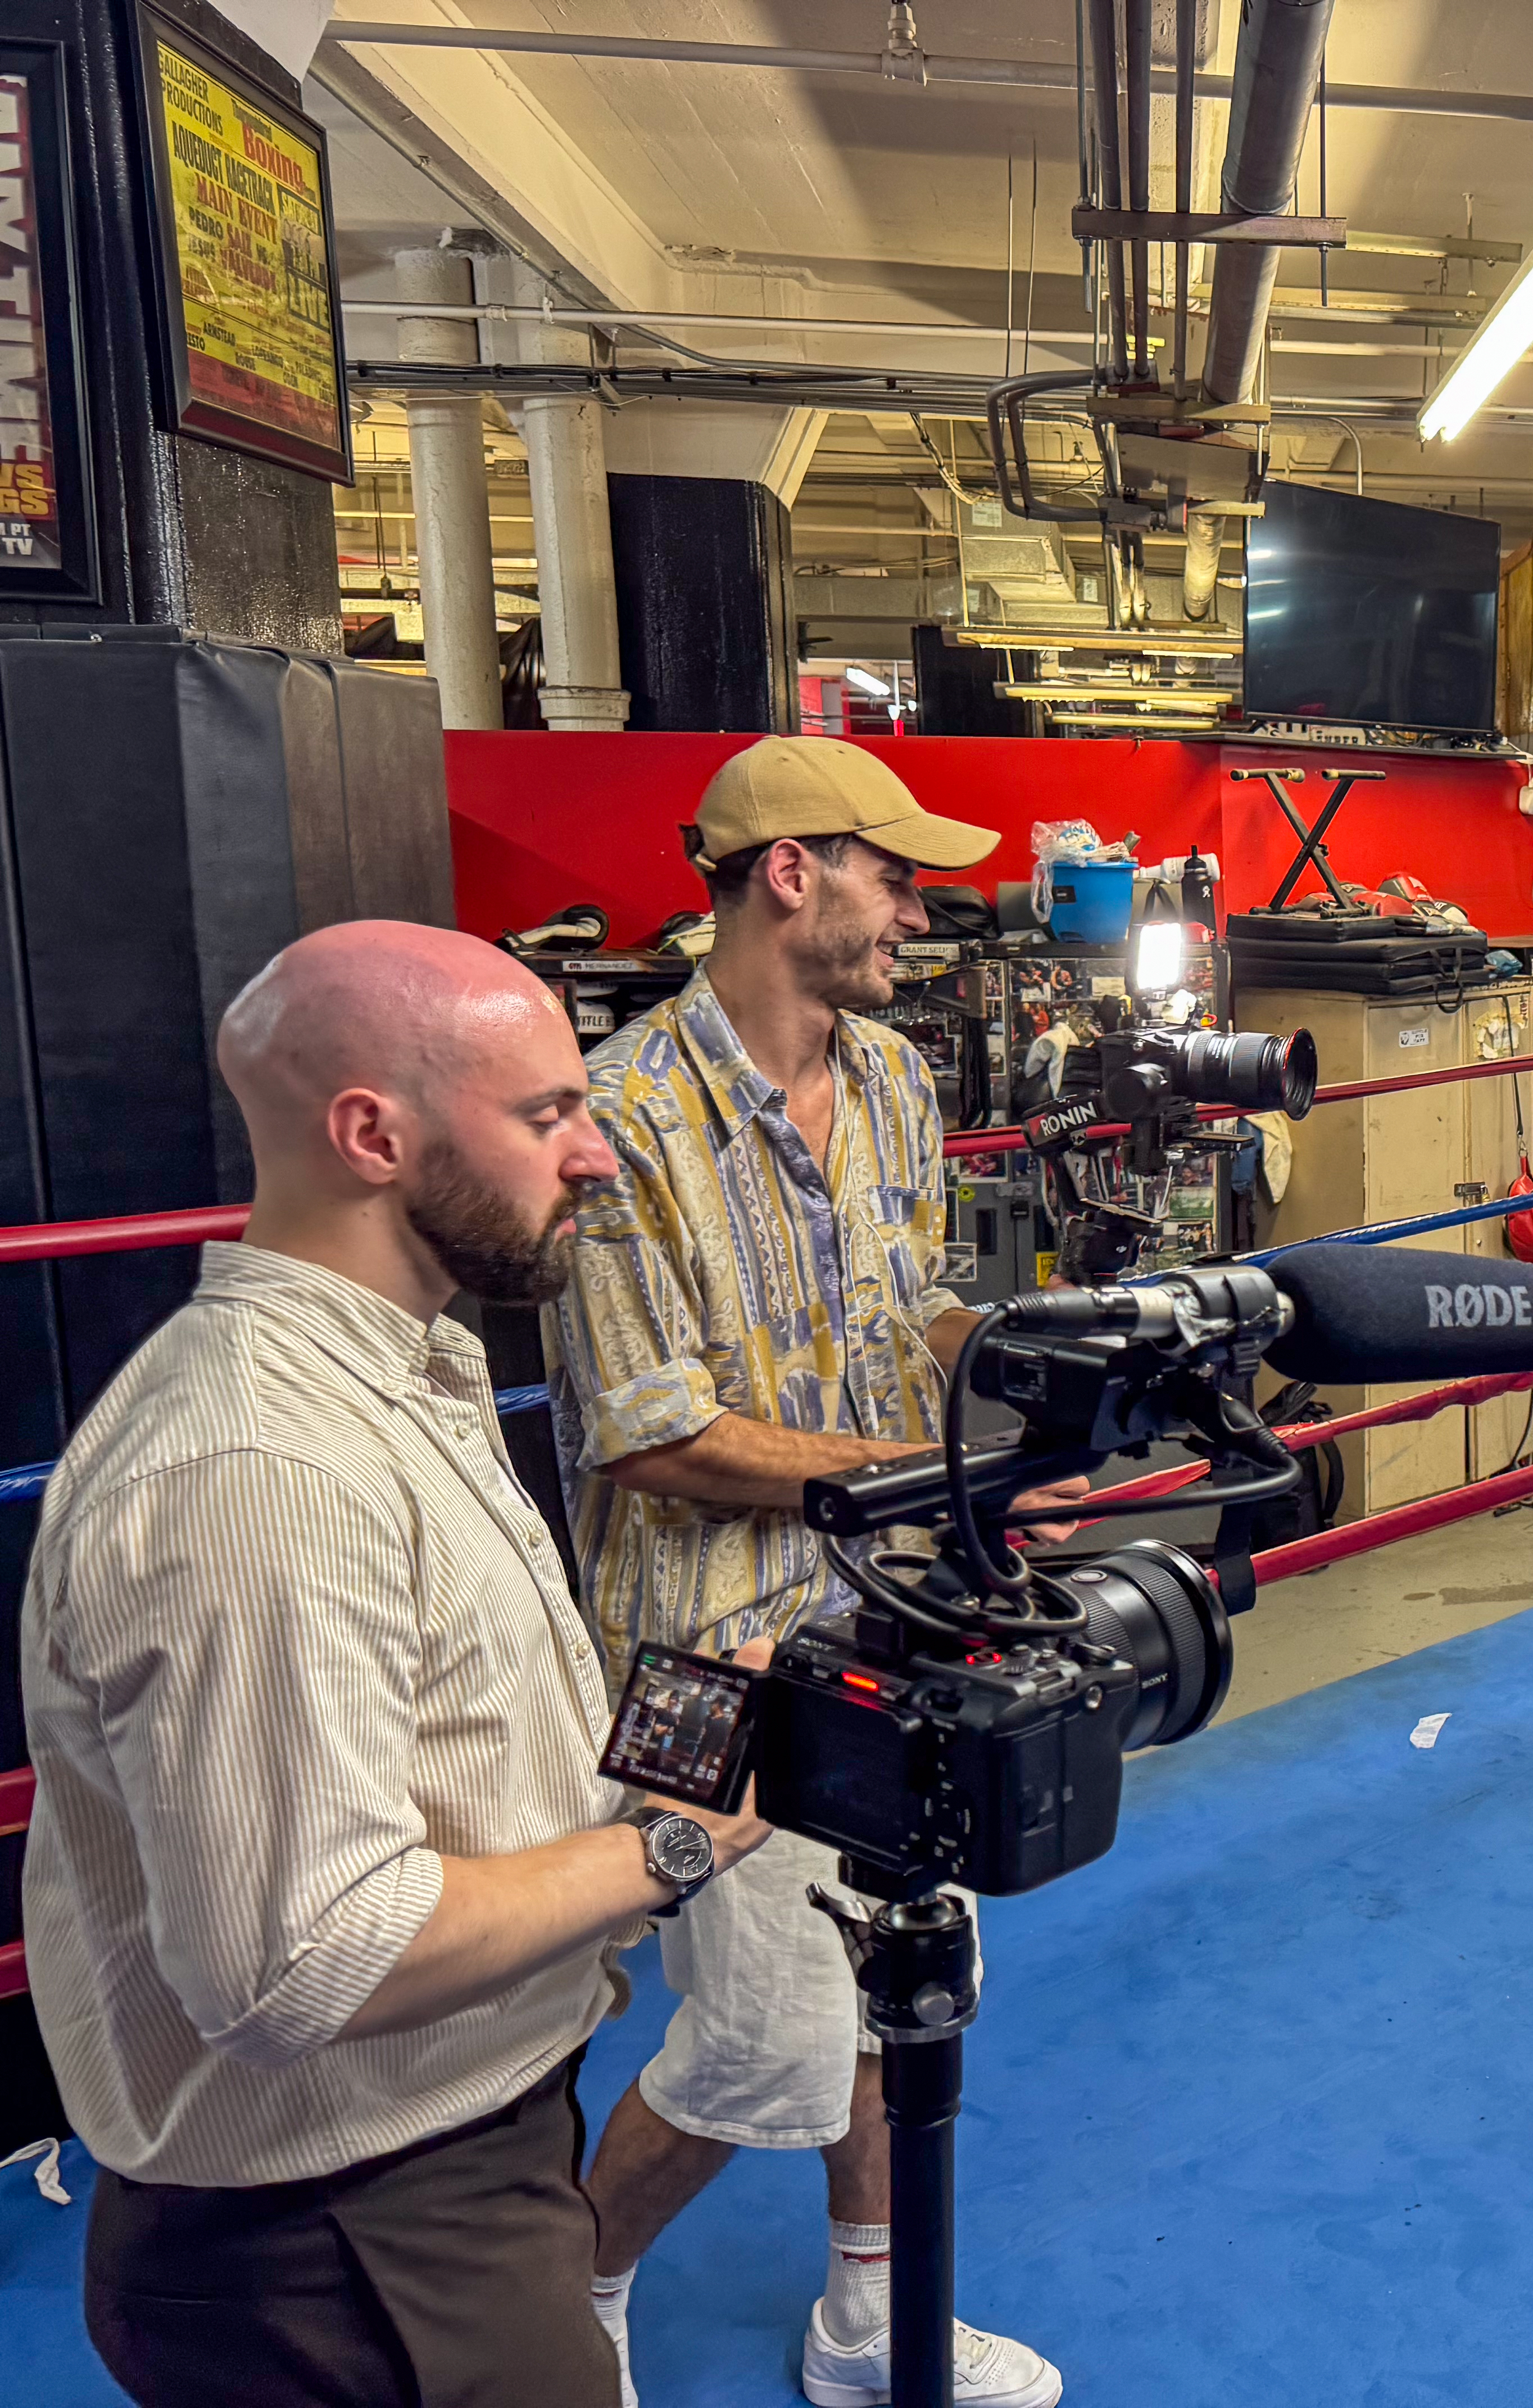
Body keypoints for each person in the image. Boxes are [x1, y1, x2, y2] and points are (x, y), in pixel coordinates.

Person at [19, 924, 771, 2407]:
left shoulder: (391, 1371)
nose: (599, 1156)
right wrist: (678, 1839)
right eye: (548, 1113)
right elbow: (300, 1957)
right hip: (352, 2230)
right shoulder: (264, 1466)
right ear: (374, 1133)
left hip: (447, 2165)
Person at [546, 737, 1066, 2408]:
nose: (922, 904)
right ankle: (565, 2300)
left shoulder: (901, 1081)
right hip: (708, 1658)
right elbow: (649, 1431)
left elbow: (906, 1314)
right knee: (763, 2035)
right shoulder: (618, 1118)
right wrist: (919, 1473)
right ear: (790, 874)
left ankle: (865, 2319)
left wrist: (1033, 1383)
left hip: (898, 1605)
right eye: (891, 872)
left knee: (901, 1971)